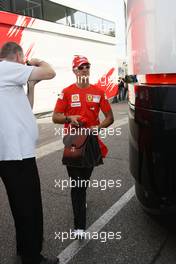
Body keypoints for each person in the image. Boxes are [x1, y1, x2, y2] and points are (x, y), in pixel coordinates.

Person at [0, 42, 59, 264]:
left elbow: (26, 107)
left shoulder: (8, 78)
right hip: (17, 155)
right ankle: (33, 258)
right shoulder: (7, 67)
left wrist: (31, 87)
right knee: (31, 206)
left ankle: (25, 250)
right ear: (17, 55)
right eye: (23, 59)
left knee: (20, 204)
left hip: (13, 154)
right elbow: (50, 72)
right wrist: (36, 62)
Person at [52, 55, 114, 238]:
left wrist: (98, 127)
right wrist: (69, 118)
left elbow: (110, 118)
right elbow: (55, 117)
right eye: (80, 67)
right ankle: (79, 226)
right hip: (73, 141)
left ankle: (81, 199)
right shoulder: (66, 92)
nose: (84, 69)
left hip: (91, 142)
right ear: (74, 71)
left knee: (83, 182)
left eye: (87, 66)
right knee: (77, 184)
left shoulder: (99, 92)